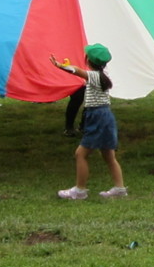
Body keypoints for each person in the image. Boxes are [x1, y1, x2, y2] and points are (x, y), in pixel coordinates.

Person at [49, 44, 127, 199]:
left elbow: (77, 71)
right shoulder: (103, 75)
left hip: (97, 117)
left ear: (88, 60)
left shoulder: (94, 76)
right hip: (105, 116)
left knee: (81, 154)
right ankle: (119, 188)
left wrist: (60, 66)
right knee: (109, 156)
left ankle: (80, 190)